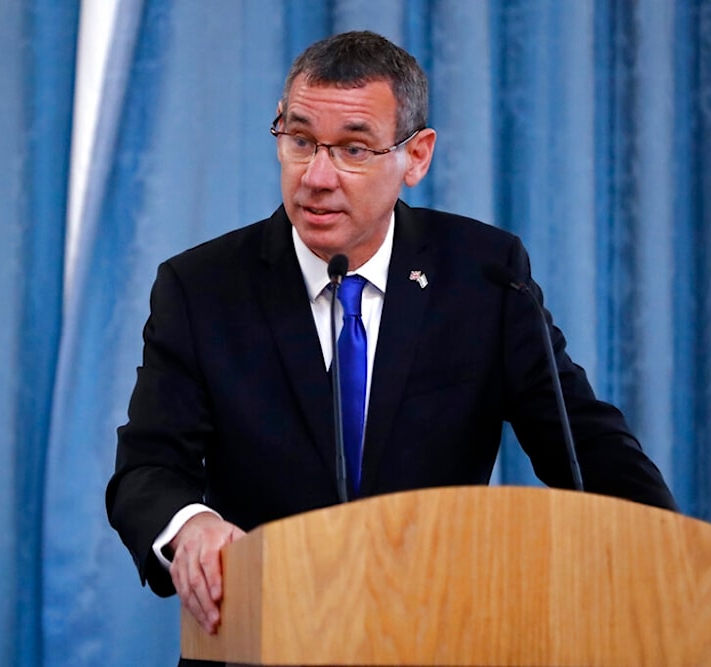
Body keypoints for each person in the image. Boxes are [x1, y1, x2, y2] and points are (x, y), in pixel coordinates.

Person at [107, 29, 677, 643]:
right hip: (263, 638)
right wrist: (190, 526)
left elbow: (585, 445)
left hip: (439, 639)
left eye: (354, 149)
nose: (317, 176)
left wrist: (667, 560)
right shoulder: (202, 287)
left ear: (417, 156)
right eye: (300, 141)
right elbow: (147, 469)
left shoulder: (484, 276)